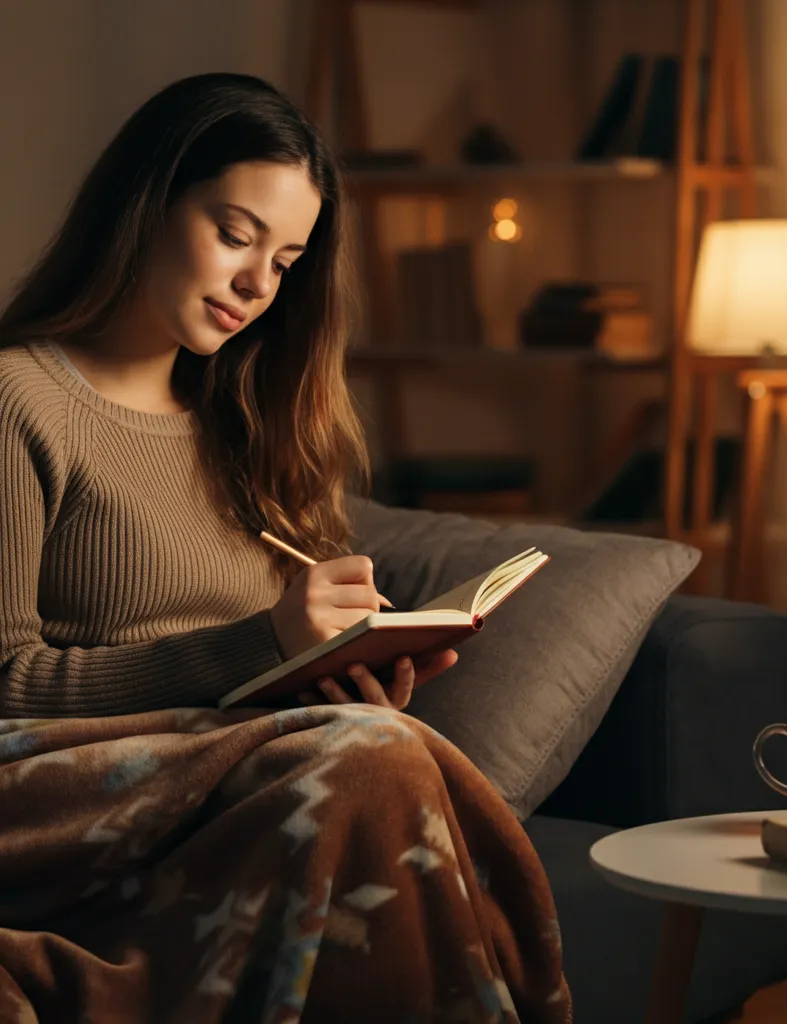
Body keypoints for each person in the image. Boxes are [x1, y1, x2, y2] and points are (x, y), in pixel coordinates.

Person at [0, 72, 570, 1023]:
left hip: (237, 774)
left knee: (378, 749)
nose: (258, 284)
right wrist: (258, 648)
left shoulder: (253, 429)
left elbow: (272, 683)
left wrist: (337, 676)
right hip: (52, 790)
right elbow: (5, 679)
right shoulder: (21, 401)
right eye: (235, 234)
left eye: (289, 258)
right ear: (148, 201)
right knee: (381, 761)